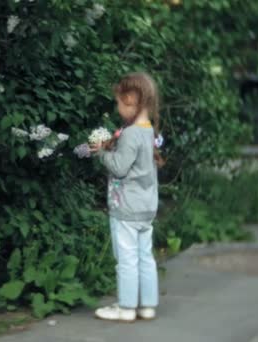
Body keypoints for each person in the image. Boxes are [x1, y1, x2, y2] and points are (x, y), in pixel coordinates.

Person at [90, 72, 165, 322]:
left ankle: (126, 307)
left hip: (127, 209)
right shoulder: (147, 131)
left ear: (131, 99)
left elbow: (120, 167)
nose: (118, 108)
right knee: (145, 256)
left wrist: (102, 153)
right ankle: (147, 305)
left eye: (120, 103)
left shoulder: (131, 134)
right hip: (146, 208)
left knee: (126, 259)